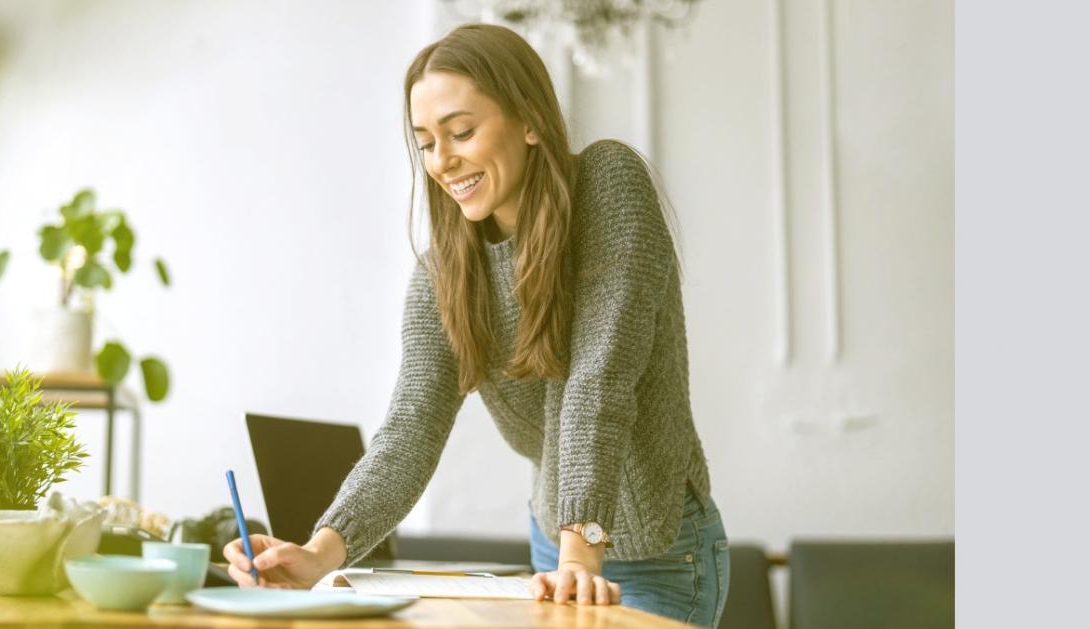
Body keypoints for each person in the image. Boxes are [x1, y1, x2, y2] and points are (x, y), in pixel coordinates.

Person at [223, 23, 729, 627]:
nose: (443, 160)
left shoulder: (607, 184)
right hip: (555, 549)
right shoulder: (445, 273)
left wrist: (582, 553)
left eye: (462, 132)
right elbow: (412, 426)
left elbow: (600, 376)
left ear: (530, 120)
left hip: (655, 549)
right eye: (427, 142)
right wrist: (318, 552)